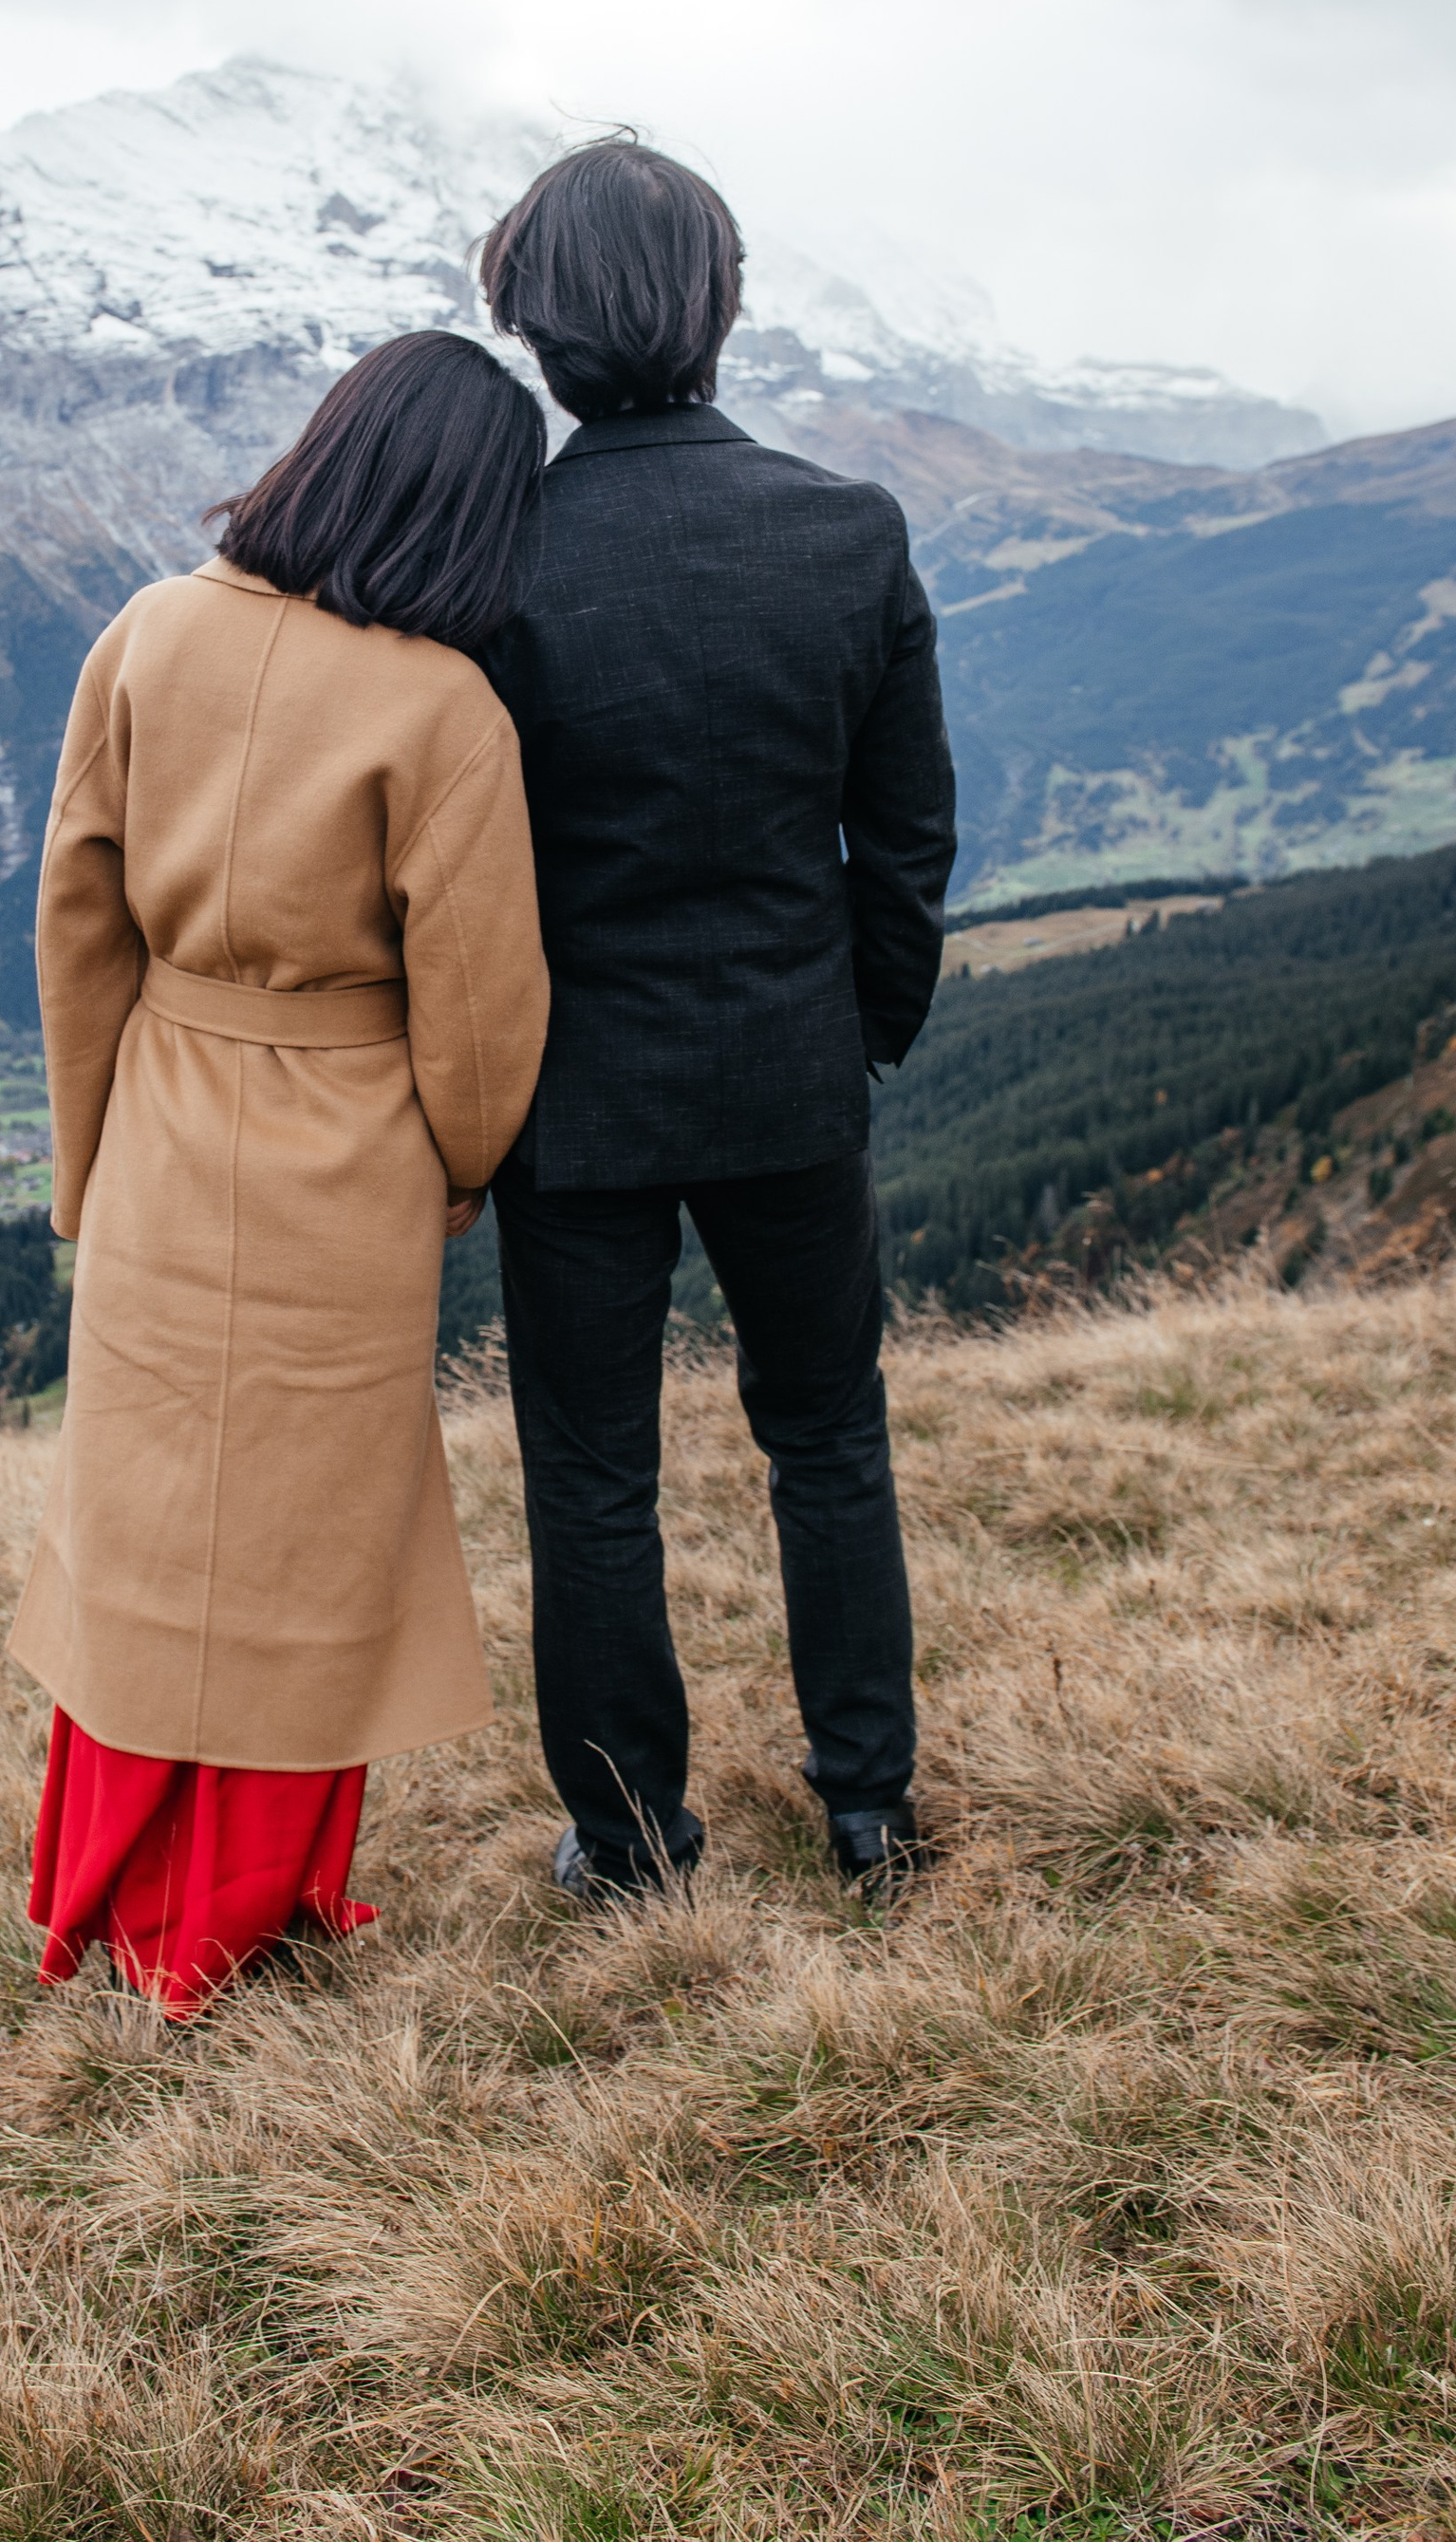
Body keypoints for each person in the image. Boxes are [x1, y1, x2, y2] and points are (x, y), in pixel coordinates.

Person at [8, 331, 550, 2017]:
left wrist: (88, 1158)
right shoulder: (444, 705)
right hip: (347, 1143)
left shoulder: (148, 632)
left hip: (166, 1112)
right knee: (313, 1539)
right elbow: (478, 996)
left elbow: (78, 920)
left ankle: (108, 1899)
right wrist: (461, 1163)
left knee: (151, 1520)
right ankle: (252, 1902)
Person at [476, 140, 957, 1902]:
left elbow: (461, 861)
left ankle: (628, 1838)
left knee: (589, 1477)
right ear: (722, 304)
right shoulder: (845, 530)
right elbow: (901, 834)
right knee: (827, 1431)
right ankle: (867, 1808)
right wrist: (859, 1032)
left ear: (532, 323)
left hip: (569, 1101)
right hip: (788, 1069)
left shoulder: (495, 557)